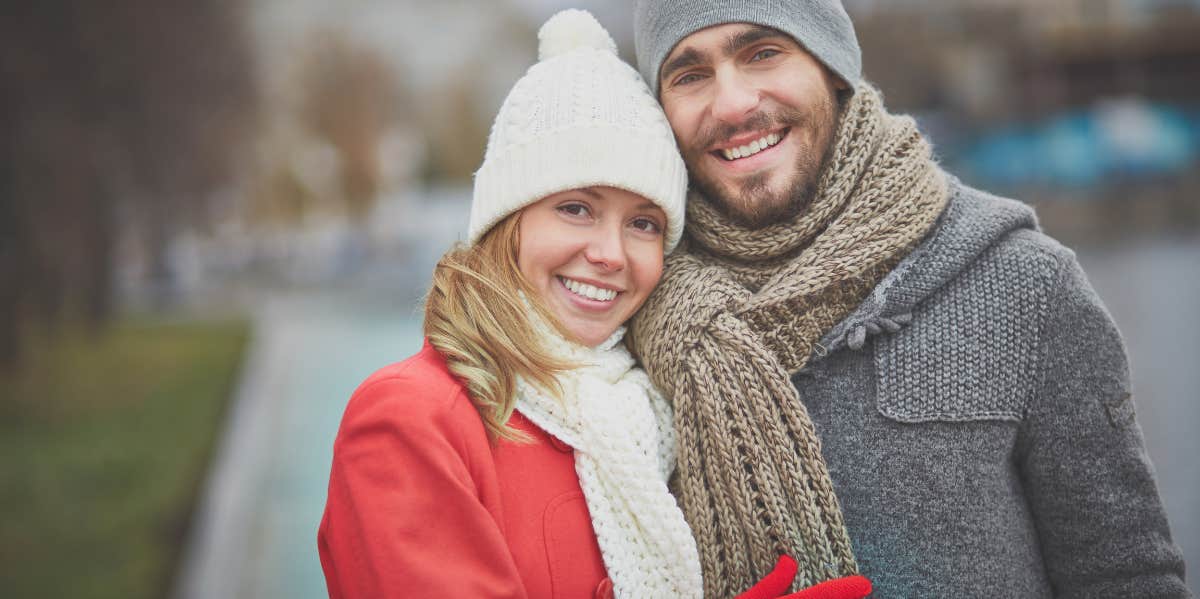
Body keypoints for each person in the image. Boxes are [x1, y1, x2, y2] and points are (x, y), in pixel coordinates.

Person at [627, 1, 1191, 597]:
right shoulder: (625, 308)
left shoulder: (1025, 282)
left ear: (833, 67)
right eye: (690, 76)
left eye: (763, 53)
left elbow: (1126, 578)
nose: (733, 103)